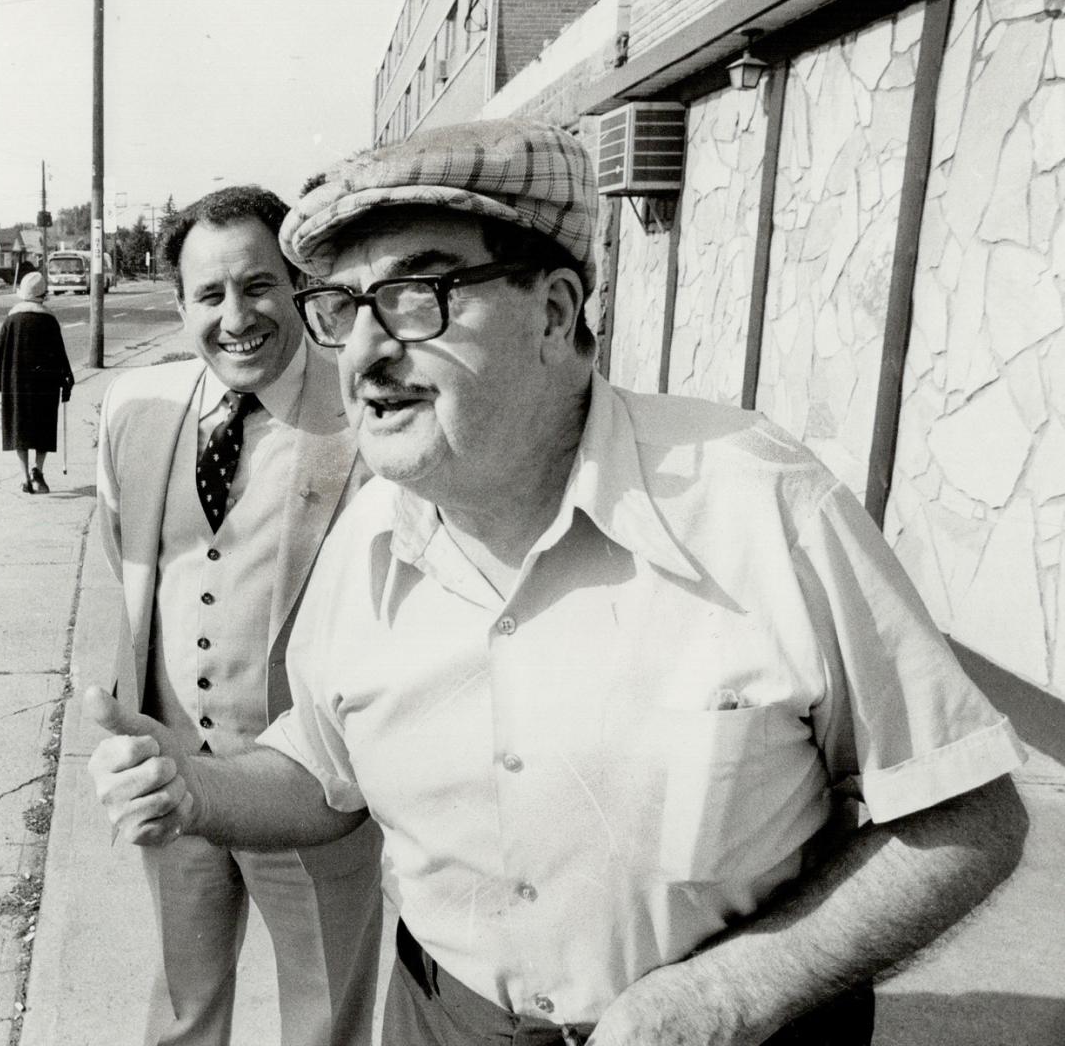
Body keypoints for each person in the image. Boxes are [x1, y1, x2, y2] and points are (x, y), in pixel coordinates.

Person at [87, 120, 1030, 1046]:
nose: (364, 352)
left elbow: (968, 812)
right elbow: (322, 774)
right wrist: (194, 789)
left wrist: (736, 992)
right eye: (342, 305)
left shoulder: (760, 505)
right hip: (439, 1020)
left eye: (417, 294)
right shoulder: (371, 534)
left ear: (553, 308)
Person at [92, 184, 383, 1046]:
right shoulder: (132, 411)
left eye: (258, 286)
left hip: (315, 793)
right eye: (209, 295)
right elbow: (128, 558)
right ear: (178, 304)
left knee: (323, 1017)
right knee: (184, 1010)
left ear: (299, 286)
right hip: (173, 772)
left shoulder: (365, 414)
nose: (235, 317)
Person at [0, 271, 74, 493]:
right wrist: (67, 378)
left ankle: (24, 477)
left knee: (20, 429)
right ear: (42, 295)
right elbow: (60, 353)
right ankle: (38, 471)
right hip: (45, 384)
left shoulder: (12, 319)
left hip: (17, 383)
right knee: (42, 428)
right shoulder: (49, 319)